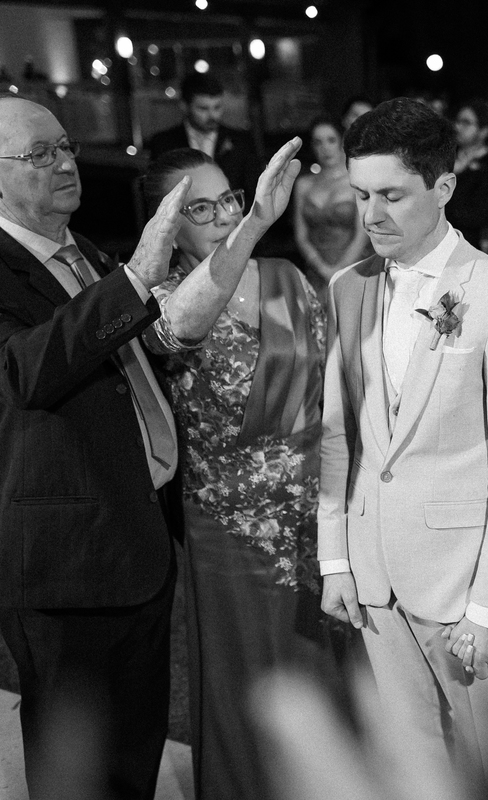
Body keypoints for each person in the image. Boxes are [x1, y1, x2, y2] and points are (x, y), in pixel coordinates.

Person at [317, 97, 488, 787]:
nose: (370, 215)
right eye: (361, 194)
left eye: (391, 195)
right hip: (373, 575)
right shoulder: (347, 288)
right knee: (413, 767)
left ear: (444, 186)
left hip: (462, 586)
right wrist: (335, 558)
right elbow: (337, 435)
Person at [137, 141, 342, 800]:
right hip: (227, 526)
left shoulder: (286, 277)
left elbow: (332, 392)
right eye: (200, 208)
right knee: (249, 683)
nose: (225, 214)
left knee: (319, 677)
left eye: (228, 198)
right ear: (167, 226)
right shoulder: (160, 300)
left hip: (312, 514)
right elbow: (180, 333)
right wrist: (253, 223)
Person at [0, 95, 190, 800]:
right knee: (74, 771)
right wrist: (133, 280)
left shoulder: (85, 254)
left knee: (134, 753)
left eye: (66, 146)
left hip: (137, 539)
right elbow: (26, 370)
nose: (64, 163)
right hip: (65, 566)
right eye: (38, 154)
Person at [147, 71, 260, 202]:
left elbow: (253, 193)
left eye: (217, 107)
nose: (212, 116)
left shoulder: (242, 141)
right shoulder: (163, 142)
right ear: (184, 106)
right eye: (203, 108)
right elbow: (158, 195)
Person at [292, 115, 370, 291]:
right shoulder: (303, 185)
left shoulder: (359, 181)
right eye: (318, 142)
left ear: (342, 142)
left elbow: (362, 234)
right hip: (316, 272)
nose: (325, 148)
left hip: (355, 269)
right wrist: (322, 269)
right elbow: (301, 235)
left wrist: (338, 270)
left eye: (331, 140)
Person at [446, 98, 488, 249]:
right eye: (457, 121)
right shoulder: (445, 158)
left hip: (466, 244)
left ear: (484, 131)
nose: (458, 127)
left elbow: (478, 214)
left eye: (466, 123)